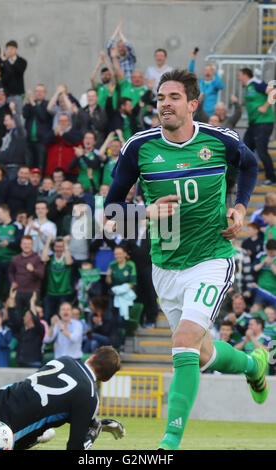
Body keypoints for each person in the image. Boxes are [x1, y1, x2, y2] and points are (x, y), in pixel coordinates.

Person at [104, 68, 265, 451]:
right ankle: (251, 365)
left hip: (212, 257)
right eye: (160, 98)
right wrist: (145, 214)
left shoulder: (220, 140)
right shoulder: (138, 147)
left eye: (173, 97)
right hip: (165, 266)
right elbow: (109, 213)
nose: (164, 104)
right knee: (202, 352)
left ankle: (169, 443)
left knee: (185, 340)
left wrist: (240, 208)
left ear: (193, 104)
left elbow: (251, 164)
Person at [0, 345, 124, 449]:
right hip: (13, 430)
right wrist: (93, 432)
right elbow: (75, 447)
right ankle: (36, 437)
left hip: (0, 398)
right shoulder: (90, 396)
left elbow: (56, 400)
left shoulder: (65, 359)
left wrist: (91, 421)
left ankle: (37, 436)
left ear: (92, 357)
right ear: (106, 379)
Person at [238, 67, 276, 185]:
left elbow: (273, 92)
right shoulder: (249, 86)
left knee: (261, 149)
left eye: (239, 75)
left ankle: (272, 178)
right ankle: (244, 176)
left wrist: (265, 107)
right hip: (254, 124)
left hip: (263, 122)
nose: (238, 78)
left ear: (245, 75)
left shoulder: (256, 82)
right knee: (245, 149)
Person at [0, 203, 22, 299]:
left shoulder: (16, 226)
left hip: (11, 261)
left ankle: (10, 306)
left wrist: (9, 244)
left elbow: (20, 243)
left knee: (10, 286)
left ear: (7, 213)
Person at [7, 287, 45, 367]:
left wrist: (32, 302)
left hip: (34, 364)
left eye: (26, 315)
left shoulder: (39, 329)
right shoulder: (21, 329)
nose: (24, 317)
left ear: (30, 318)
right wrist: (11, 299)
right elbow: (12, 317)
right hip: (21, 362)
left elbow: (35, 319)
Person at [8, 235, 45, 314]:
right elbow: (11, 272)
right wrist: (13, 281)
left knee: (33, 316)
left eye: (28, 244)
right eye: (24, 244)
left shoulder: (37, 258)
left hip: (32, 292)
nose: (26, 246)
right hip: (18, 292)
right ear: (21, 245)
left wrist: (33, 270)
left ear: (32, 245)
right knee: (17, 315)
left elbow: (42, 275)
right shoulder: (15, 259)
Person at [41, 235, 74, 321]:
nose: (59, 248)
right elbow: (43, 258)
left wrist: (66, 244)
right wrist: (48, 241)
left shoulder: (68, 257)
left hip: (64, 293)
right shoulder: (51, 258)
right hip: (50, 293)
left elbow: (69, 262)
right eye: (57, 246)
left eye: (61, 246)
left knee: (63, 318)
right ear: (54, 247)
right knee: (47, 317)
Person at [23, 84, 52, 172]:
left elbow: (43, 116)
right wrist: (27, 102)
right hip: (29, 140)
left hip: (42, 141)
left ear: (45, 93)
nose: (38, 93)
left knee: (41, 164)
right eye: (37, 91)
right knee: (29, 164)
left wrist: (32, 103)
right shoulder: (31, 103)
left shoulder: (47, 104)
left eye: (41, 91)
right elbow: (25, 114)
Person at [0, 101, 27, 180]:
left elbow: (19, 125)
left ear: (13, 121)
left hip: (14, 168)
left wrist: (13, 111)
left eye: (6, 120)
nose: (4, 123)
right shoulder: (8, 134)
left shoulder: (19, 133)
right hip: (4, 168)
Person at [189, 50, 224, 116]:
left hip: (210, 114)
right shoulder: (199, 82)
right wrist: (193, 58)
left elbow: (221, 86)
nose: (207, 72)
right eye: (206, 70)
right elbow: (191, 73)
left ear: (212, 72)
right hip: (198, 113)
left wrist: (215, 73)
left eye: (210, 70)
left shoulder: (214, 83)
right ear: (203, 72)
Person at [0, 40, 27, 116]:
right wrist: (4, 61)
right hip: (5, 93)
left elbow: (19, 71)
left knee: (17, 115)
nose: (9, 51)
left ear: (16, 49)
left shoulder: (22, 61)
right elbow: (2, 76)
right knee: (5, 115)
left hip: (17, 94)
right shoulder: (4, 62)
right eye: (8, 49)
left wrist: (9, 60)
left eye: (12, 49)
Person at [253, 239, 276, 308]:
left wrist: (271, 264)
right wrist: (263, 263)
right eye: (269, 251)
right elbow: (254, 269)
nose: (270, 254)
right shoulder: (261, 256)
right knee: (256, 310)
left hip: (274, 292)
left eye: (272, 252)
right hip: (261, 290)